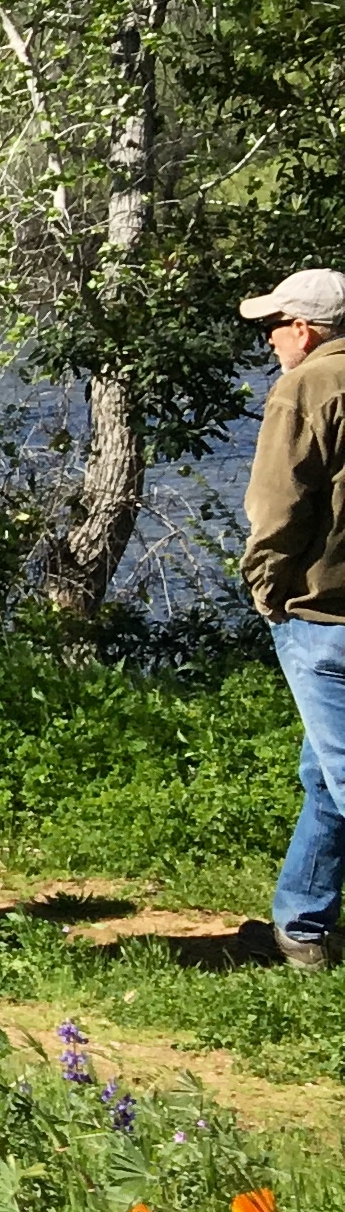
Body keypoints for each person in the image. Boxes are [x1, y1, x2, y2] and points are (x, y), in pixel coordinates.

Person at [240, 265, 345, 969]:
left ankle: (303, 932)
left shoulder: (306, 386)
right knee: (323, 774)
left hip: (323, 613)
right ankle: (302, 931)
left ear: (304, 330)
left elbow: (277, 504)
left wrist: (265, 589)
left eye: (276, 326)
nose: (272, 339)